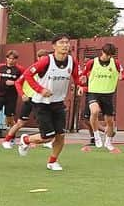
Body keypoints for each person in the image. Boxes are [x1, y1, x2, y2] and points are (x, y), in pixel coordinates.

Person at [15, 35, 82, 171]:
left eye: (67, 43)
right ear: (54, 46)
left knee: (60, 136)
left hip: (58, 103)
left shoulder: (72, 61)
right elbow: (27, 75)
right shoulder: (46, 61)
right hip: (41, 103)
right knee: (47, 137)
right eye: (61, 43)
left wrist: (80, 85)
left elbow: (76, 76)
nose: (65, 45)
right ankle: (25, 140)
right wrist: (40, 90)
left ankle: (52, 161)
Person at [79, 43, 124, 151]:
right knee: (94, 111)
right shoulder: (92, 62)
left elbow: (123, 74)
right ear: (102, 52)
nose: (108, 57)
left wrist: (121, 77)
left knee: (110, 121)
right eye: (106, 54)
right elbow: (83, 75)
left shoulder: (116, 63)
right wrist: (81, 86)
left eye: (110, 55)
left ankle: (108, 142)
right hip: (93, 92)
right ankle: (96, 136)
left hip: (108, 94)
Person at [1, 49, 47, 149]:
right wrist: (22, 95)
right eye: (41, 59)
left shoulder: (48, 71)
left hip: (39, 100)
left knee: (43, 121)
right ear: (38, 58)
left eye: (45, 59)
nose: (43, 61)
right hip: (29, 99)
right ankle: (7, 140)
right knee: (20, 123)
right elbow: (18, 82)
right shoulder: (31, 69)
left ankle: (44, 140)